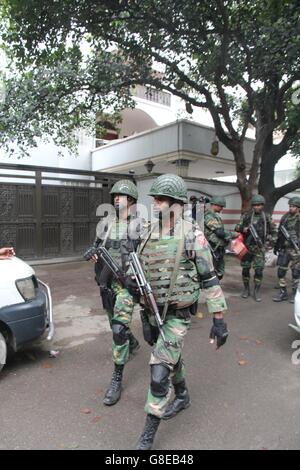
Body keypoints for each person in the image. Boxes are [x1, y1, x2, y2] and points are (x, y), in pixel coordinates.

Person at [134, 174, 228, 450]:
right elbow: (137, 269)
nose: (155, 204)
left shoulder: (192, 235)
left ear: (176, 203)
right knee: (169, 356)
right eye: (154, 199)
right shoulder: (148, 232)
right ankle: (183, 395)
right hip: (152, 312)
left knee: (159, 372)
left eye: (160, 199)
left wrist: (219, 320)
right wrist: (131, 286)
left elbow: (209, 278)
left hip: (178, 315)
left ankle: (147, 435)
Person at [89, 179, 143, 406]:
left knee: (118, 329)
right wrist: (93, 252)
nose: (116, 199)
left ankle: (117, 378)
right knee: (114, 323)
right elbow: (96, 246)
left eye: (120, 196)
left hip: (125, 285)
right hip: (106, 283)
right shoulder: (107, 223)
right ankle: (132, 342)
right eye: (114, 196)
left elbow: (145, 255)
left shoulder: (140, 225)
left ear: (131, 199)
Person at [235, 195, 277, 302]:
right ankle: (246, 289)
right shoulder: (246, 216)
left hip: (260, 248)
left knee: (258, 271)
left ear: (262, 206)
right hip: (247, 248)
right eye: (254, 205)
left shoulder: (266, 217)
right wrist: (242, 228)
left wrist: (271, 240)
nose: (256, 207)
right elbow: (237, 227)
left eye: (258, 205)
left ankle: (257, 291)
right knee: (245, 270)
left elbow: (274, 231)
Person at [204, 196, 239, 280]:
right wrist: (234, 234)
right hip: (212, 248)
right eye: (221, 206)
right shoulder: (209, 216)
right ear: (215, 205)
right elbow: (219, 232)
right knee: (212, 273)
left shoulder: (216, 216)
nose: (222, 208)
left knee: (220, 273)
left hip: (219, 248)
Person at [273, 197, 300, 303]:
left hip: (296, 250)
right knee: (281, 271)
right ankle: (283, 292)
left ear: (298, 208)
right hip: (285, 248)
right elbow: (280, 232)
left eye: (293, 206)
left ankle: (294, 293)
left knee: (296, 273)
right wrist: (276, 245)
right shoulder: (285, 217)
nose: (291, 208)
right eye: (290, 206)